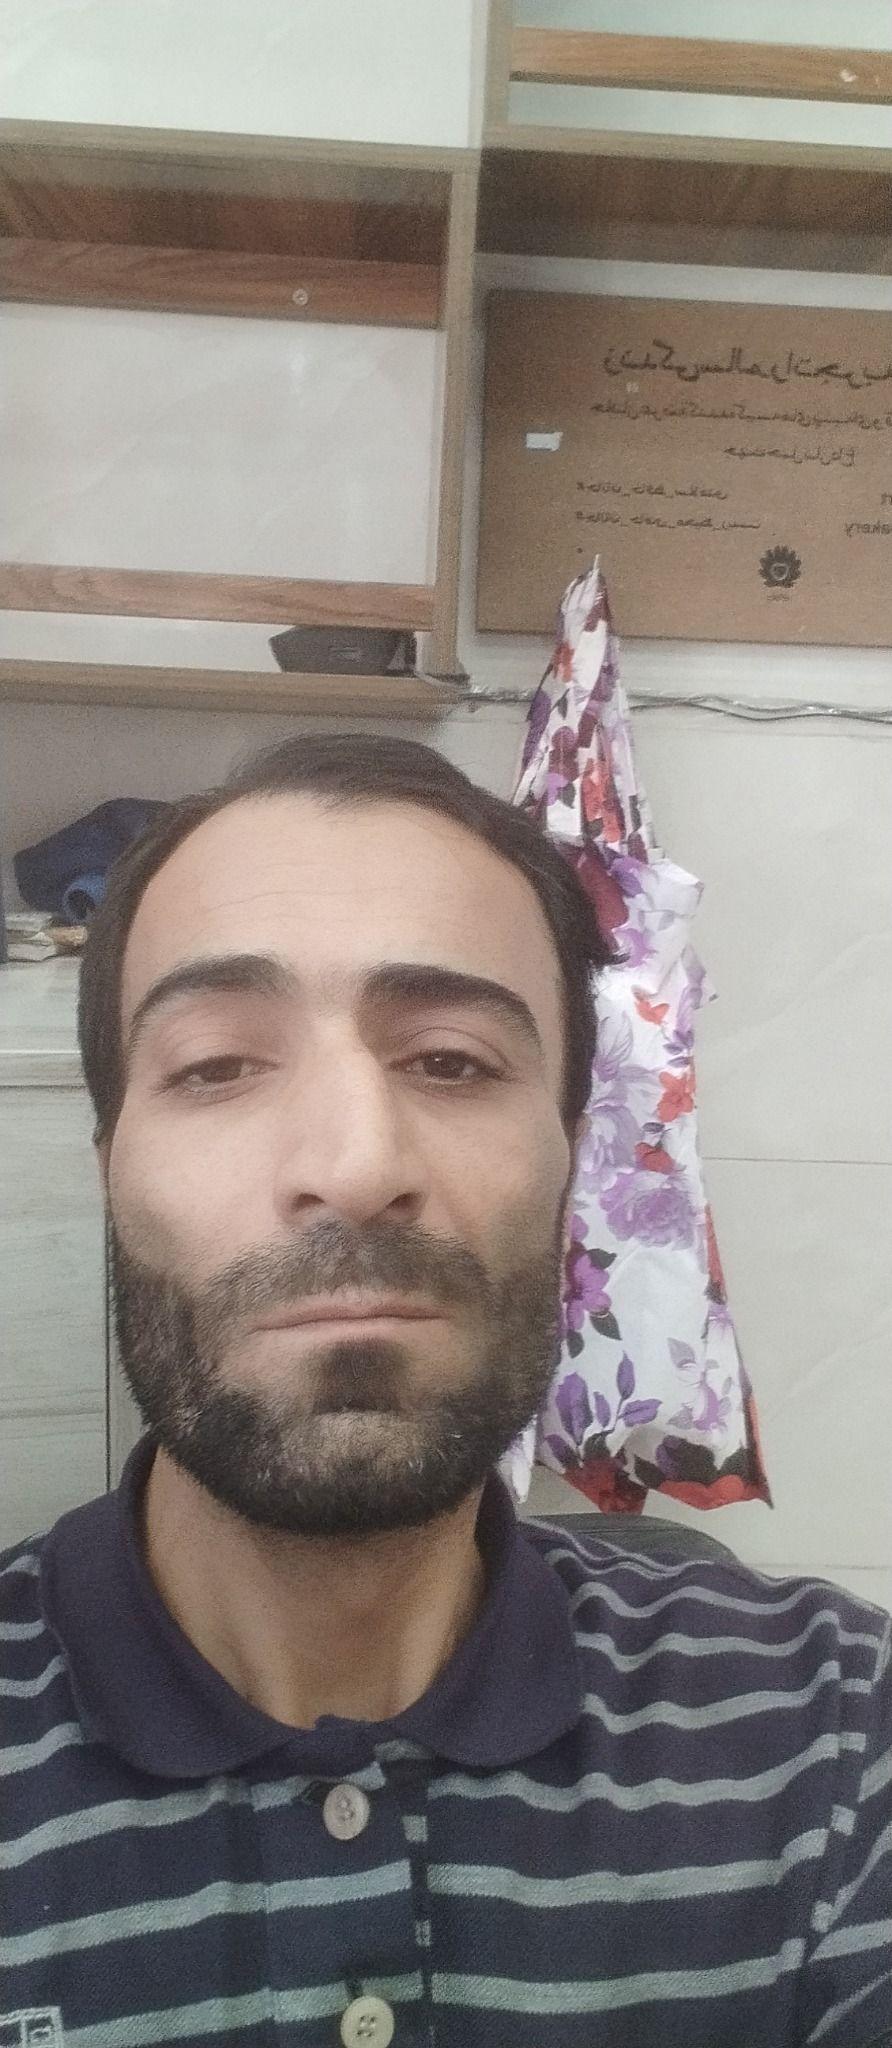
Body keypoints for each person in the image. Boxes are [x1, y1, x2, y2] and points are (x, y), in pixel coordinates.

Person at [1, 733, 889, 2048]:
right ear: (108, 1168)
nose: (358, 1165)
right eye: (218, 1065)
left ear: (572, 1159)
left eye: (455, 1061)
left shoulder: (833, 1738)